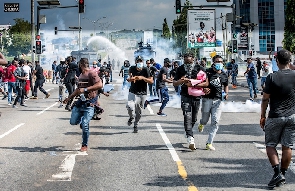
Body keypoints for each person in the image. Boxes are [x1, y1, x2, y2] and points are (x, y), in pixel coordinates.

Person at [260, 49, 295, 189]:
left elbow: (265, 99)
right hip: (292, 116)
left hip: (275, 116)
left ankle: (277, 173)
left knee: (270, 144)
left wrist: (262, 116)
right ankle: (283, 174)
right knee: (287, 146)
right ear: (290, 60)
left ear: (277, 61)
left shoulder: (272, 77)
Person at [64, 58, 102, 152]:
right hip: (80, 102)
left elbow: (100, 85)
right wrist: (69, 98)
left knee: (85, 124)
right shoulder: (81, 75)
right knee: (73, 122)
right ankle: (82, 120)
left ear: (81, 65)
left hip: (90, 103)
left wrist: (86, 90)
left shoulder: (91, 73)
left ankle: (84, 145)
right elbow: (78, 90)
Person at [173, 52, 208, 150]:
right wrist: (182, 81)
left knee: (194, 119)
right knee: (187, 116)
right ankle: (190, 137)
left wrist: (194, 84)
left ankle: (188, 131)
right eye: (185, 60)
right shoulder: (180, 69)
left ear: (193, 59)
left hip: (196, 96)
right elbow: (175, 83)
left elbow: (206, 83)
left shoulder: (200, 68)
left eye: (188, 61)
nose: (187, 63)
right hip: (185, 95)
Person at [197, 55, 228, 151]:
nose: (219, 63)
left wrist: (226, 93)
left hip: (218, 100)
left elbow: (226, 85)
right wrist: (204, 88)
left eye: (221, 62)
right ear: (213, 62)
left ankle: (209, 143)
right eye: (217, 61)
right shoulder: (207, 72)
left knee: (215, 121)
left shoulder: (224, 75)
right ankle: (201, 124)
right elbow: (201, 83)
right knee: (205, 120)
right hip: (207, 99)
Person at [126, 55, 153, 133]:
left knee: (139, 112)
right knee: (129, 106)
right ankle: (131, 117)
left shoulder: (146, 70)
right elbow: (129, 77)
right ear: (135, 62)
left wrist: (143, 78)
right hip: (133, 92)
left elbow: (151, 81)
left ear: (143, 62)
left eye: (140, 61)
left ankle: (136, 124)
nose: (139, 62)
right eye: (138, 61)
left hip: (142, 93)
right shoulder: (132, 68)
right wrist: (131, 79)